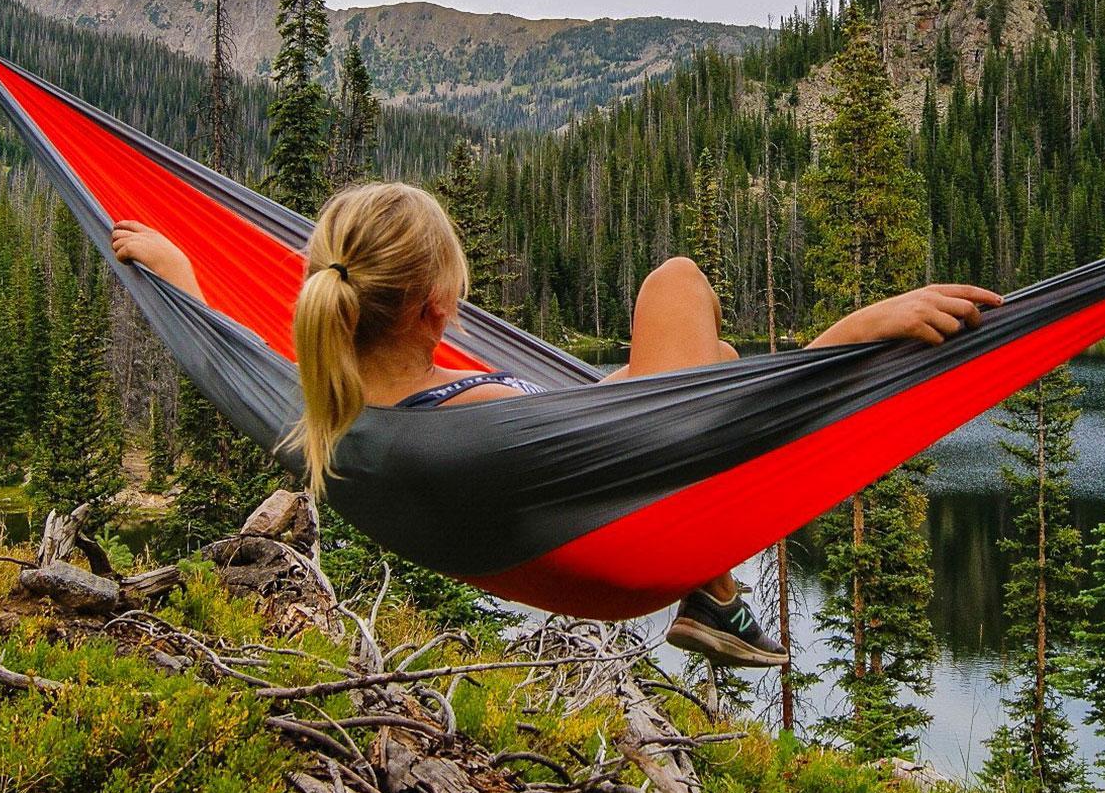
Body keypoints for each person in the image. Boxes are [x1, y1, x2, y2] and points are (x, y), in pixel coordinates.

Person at [112, 181, 1002, 668]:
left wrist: (182, 275)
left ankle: (719, 596)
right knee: (677, 282)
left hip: (563, 500)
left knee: (718, 357)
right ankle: (713, 591)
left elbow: (230, 356)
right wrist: (849, 341)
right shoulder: (479, 426)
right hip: (623, 548)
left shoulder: (322, 409)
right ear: (436, 306)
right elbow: (708, 443)